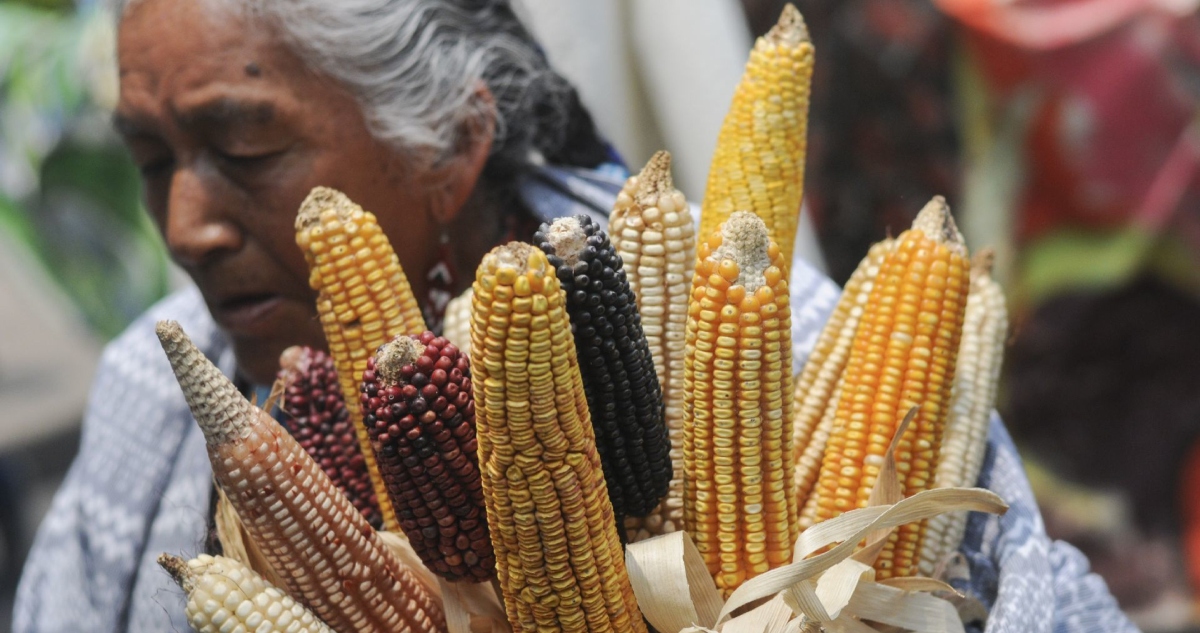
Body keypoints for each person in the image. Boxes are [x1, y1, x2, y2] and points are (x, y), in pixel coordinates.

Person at [15, 1, 1136, 632]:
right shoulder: (152, 388)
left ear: (456, 144)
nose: (186, 223)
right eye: (151, 162)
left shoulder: (786, 341)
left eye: (245, 149)